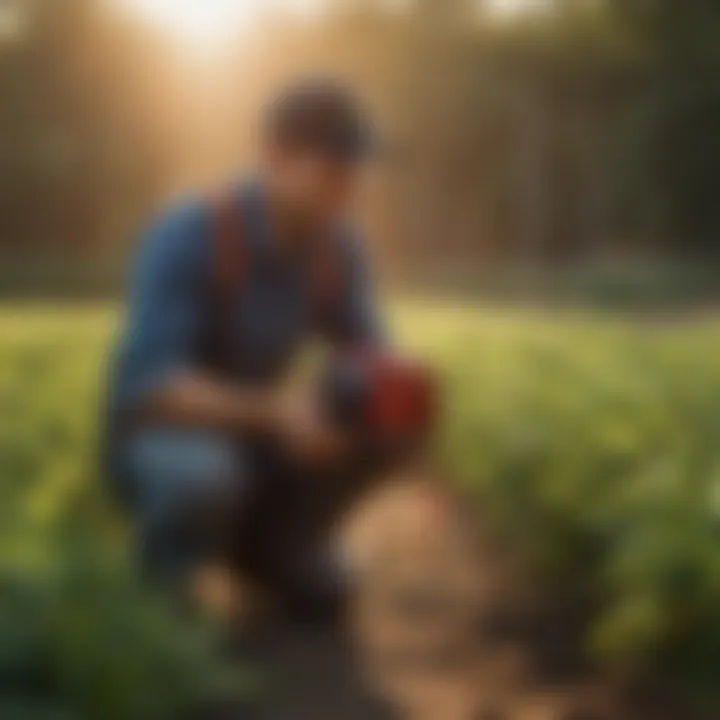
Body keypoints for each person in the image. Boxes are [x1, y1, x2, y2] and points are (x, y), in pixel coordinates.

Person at [105, 79, 386, 621]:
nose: (354, 185)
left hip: (255, 437)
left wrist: (348, 408)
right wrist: (281, 414)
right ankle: (162, 596)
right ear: (277, 157)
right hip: (162, 434)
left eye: (360, 168)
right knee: (201, 477)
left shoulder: (337, 244)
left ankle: (278, 550)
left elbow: (370, 356)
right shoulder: (189, 230)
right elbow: (155, 384)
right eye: (337, 167)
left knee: (391, 418)